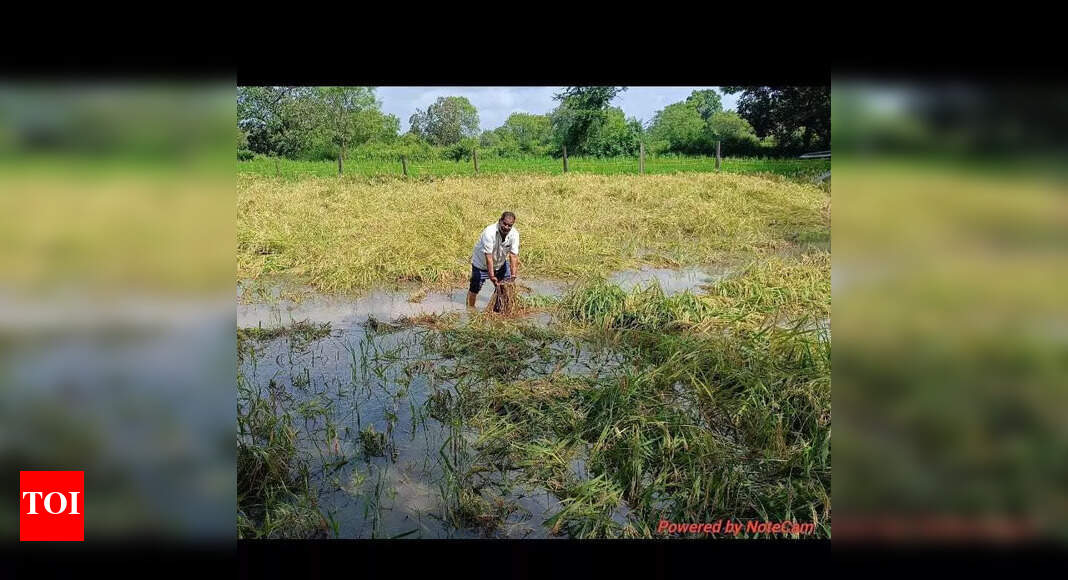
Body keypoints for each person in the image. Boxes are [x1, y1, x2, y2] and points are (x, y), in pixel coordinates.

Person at [467, 211, 519, 309]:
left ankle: (497, 309)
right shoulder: (489, 232)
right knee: (475, 289)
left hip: (500, 264)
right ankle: (470, 310)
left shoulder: (514, 234)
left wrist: (513, 275)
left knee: (505, 286)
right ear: (500, 221)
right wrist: (491, 276)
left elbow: (513, 256)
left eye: (509, 225)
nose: (506, 227)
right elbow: (488, 257)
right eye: (504, 224)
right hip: (481, 264)